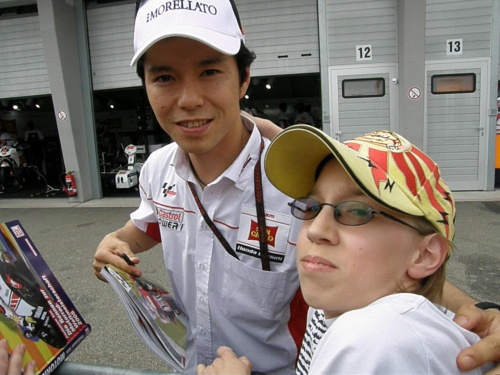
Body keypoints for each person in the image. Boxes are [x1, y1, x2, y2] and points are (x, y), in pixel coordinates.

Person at [93, 1, 500, 374]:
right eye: (164, 77)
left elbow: (395, 262)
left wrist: (476, 311)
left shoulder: (303, 182)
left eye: (210, 71)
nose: (188, 99)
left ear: (243, 78)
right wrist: (114, 244)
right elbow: (146, 229)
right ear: (146, 86)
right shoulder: (159, 169)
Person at [197, 126, 500, 375]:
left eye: (357, 211)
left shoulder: (375, 335)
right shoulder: (343, 300)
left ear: (424, 255)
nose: (316, 229)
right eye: (311, 206)